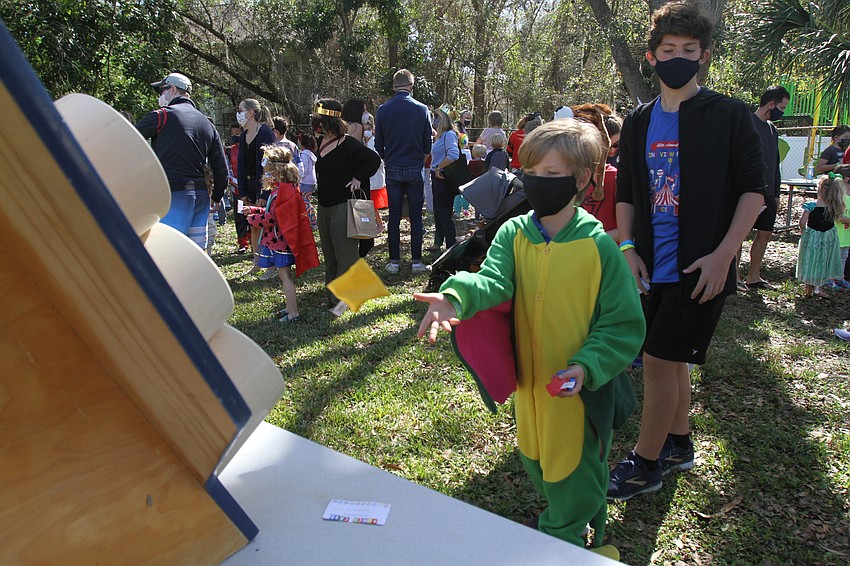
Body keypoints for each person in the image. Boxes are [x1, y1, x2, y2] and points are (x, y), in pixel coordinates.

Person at [414, 119, 644, 548]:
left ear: (581, 179)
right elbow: (492, 281)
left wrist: (586, 365)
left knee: (573, 470)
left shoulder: (600, 250)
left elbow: (622, 325)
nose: (538, 182)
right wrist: (456, 296)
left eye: (551, 175)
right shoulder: (513, 233)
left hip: (576, 391)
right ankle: (584, 527)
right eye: (531, 171)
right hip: (531, 388)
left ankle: (567, 542)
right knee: (537, 460)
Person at [608, 0, 766, 501]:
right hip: (651, 264)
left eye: (689, 49)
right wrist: (628, 247)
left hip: (702, 266)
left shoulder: (729, 115)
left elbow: (754, 191)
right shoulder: (637, 121)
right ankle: (678, 444)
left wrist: (725, 255)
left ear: (704, 56)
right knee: (672, 361)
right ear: (652, 57)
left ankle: (645, 465)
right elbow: (629, 189)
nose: (679, 56)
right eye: (668, 49)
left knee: (655, 361)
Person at [135, 72, 227, 249]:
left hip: (173, 194)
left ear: (173, 89)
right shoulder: (207, 123)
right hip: (201, 196)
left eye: (161, 91)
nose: (160, 97)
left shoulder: (161, 116)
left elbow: (129, 138)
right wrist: (216, 196)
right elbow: (220, 166)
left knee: (170, 251)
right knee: (196, 253)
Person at [312, 98, 381, 304]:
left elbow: (373, 160)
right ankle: (333, 296)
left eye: (318, 119)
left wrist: (358, 178)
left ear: (328, 120)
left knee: (346, 255)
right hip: (323, 206)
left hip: (343, 206)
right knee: (330, 256)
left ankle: (347, 298)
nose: (315, 123)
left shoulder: (348, 143)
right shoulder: (321, 141)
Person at [243, 145, 319, 322]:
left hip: (282, 242)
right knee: (284, 275)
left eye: (268, 171)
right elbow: (274, 212)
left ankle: (293, 312)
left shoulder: (284, 191)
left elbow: (273, 218)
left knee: (285, 277)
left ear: (276, 171)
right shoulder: (283, 189)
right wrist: (255, 209)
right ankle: (289, 307)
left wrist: (254, 219)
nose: (266, 175)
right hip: (280, 240)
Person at [374, 69, 432, 274]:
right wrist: (420, 160)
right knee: (416, 216)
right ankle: (416, 261)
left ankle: (394, 261)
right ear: (411, 86)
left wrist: (388, 159)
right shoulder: (422, 109)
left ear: (393, 86)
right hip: (415, 167)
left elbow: (378, 144)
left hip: (393, 168)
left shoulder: (383, 110)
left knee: (394, 215)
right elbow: (428, 144)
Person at [742, 85, 790, 289]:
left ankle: (753, 277)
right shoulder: (746, 124)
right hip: (748, 191)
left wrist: (776, 192)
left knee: (765, 233)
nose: (782, 112)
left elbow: (774, 162)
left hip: (769, 192)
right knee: (740, 234)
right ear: (771, 104)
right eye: (782, 106)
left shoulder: (773, 129)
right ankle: (733, 277)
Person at [236, 98, 276, 276]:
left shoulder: (265, 132)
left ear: (250, 112)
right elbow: (241, 165)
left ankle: (274, 264)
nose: (239, 113)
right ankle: (257, 263)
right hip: (249, 186)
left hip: (265, 186)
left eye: (241, 110)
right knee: (253, 224)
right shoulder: (243, 136)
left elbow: (271, 165)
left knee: (267, 224)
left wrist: (264, 191)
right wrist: (243, 191)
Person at [796, 174, 845, 297]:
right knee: (823, 260)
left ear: (821, 189)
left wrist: (804, 231)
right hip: (828, 237)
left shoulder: (811, 205)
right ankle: (818, 288)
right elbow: (837, 219)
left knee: (810, 259)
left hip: (812, 236)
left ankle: (808, 287)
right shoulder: (834, 206)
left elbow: (802, 222)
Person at [430, 107, 461, 253]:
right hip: (436, 177)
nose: (434, 119)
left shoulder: (449, 135)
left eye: (437, 116)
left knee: (444, 212)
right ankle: (437, 242)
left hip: (443, 177)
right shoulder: (440, 136)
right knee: (437, 211)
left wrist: (438, 167)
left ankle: (451, 244)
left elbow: (453, 154)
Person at [298, 133, 318, 230]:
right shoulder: (311, 155)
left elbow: (303, 169)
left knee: (305, 202)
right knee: (306, 201)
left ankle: (313, 221)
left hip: (305, 181)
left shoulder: (304, 155)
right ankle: (309, 220)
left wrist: (299, 179)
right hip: (311, 181)